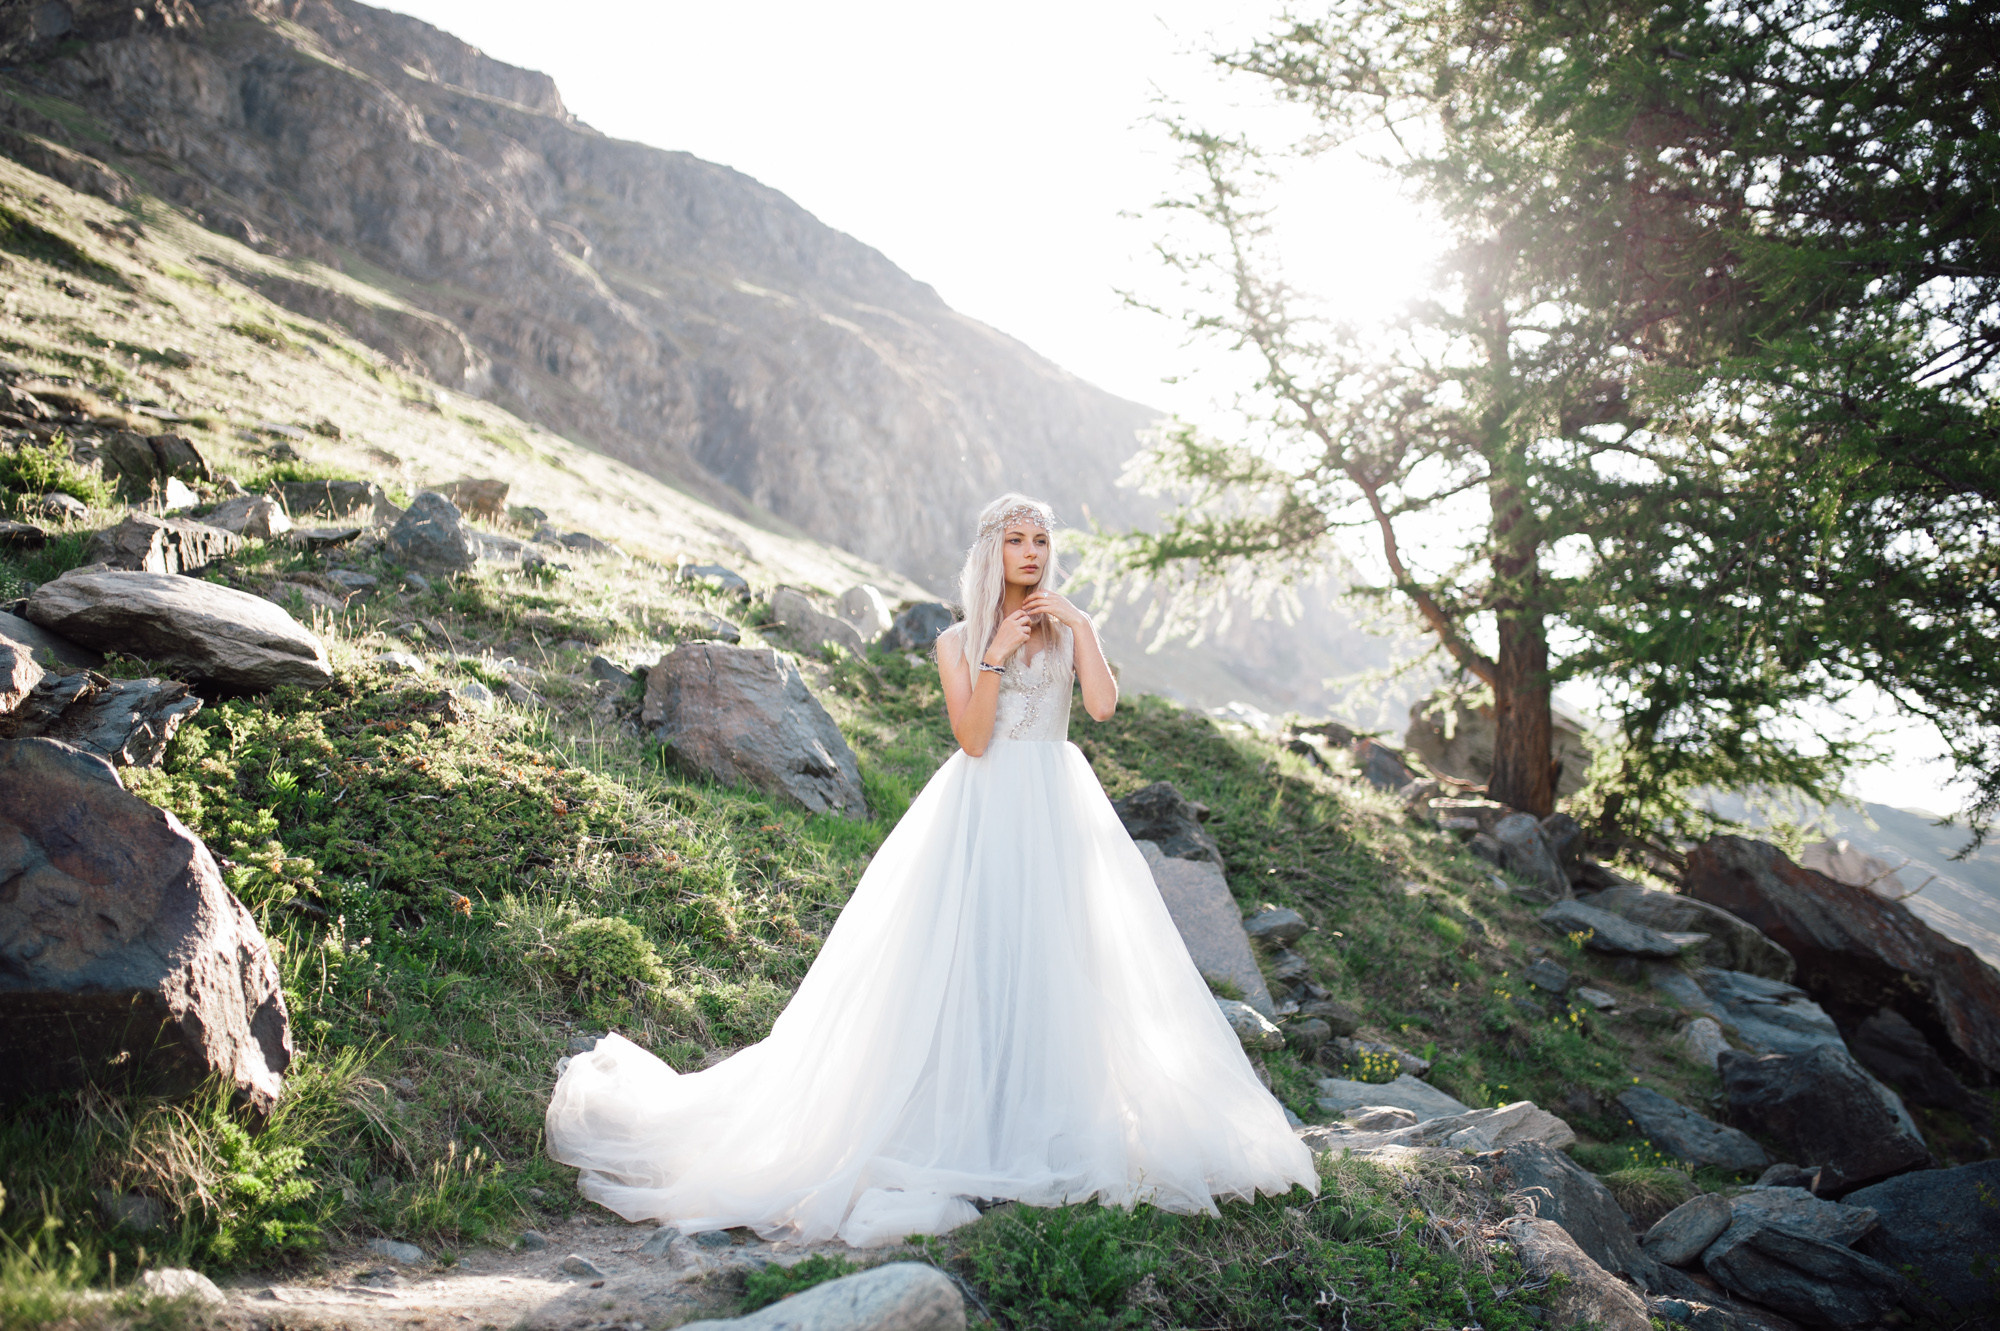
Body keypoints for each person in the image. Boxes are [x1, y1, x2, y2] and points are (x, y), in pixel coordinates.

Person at [544, 493, 1315, 1246]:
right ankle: (958, 1121)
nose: (1033, 553)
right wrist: (994, 654)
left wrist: (1078, 624)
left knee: (1056, 960)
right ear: (992, 551)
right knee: (966, 962)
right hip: (982, 808)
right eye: (1018, 540)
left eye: (1042, 541)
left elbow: (1105, 706)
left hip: (1057, 803)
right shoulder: (956, 641)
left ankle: (1039, 1121)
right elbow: (974, 738)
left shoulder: (1064, 629)